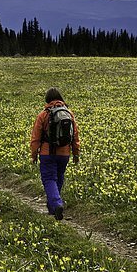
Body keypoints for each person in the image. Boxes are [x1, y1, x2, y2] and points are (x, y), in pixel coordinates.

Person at [30, 87, 80, 220]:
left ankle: (57, 204)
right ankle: (53, 207)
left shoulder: (43, 115)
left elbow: (36, 137)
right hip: (64, 153)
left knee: (49, 179)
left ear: (47, 99)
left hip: (48, 153)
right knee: (58, 177)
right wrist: (76, 153)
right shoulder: (69, 113)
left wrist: (34, 154)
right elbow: (75, 135)